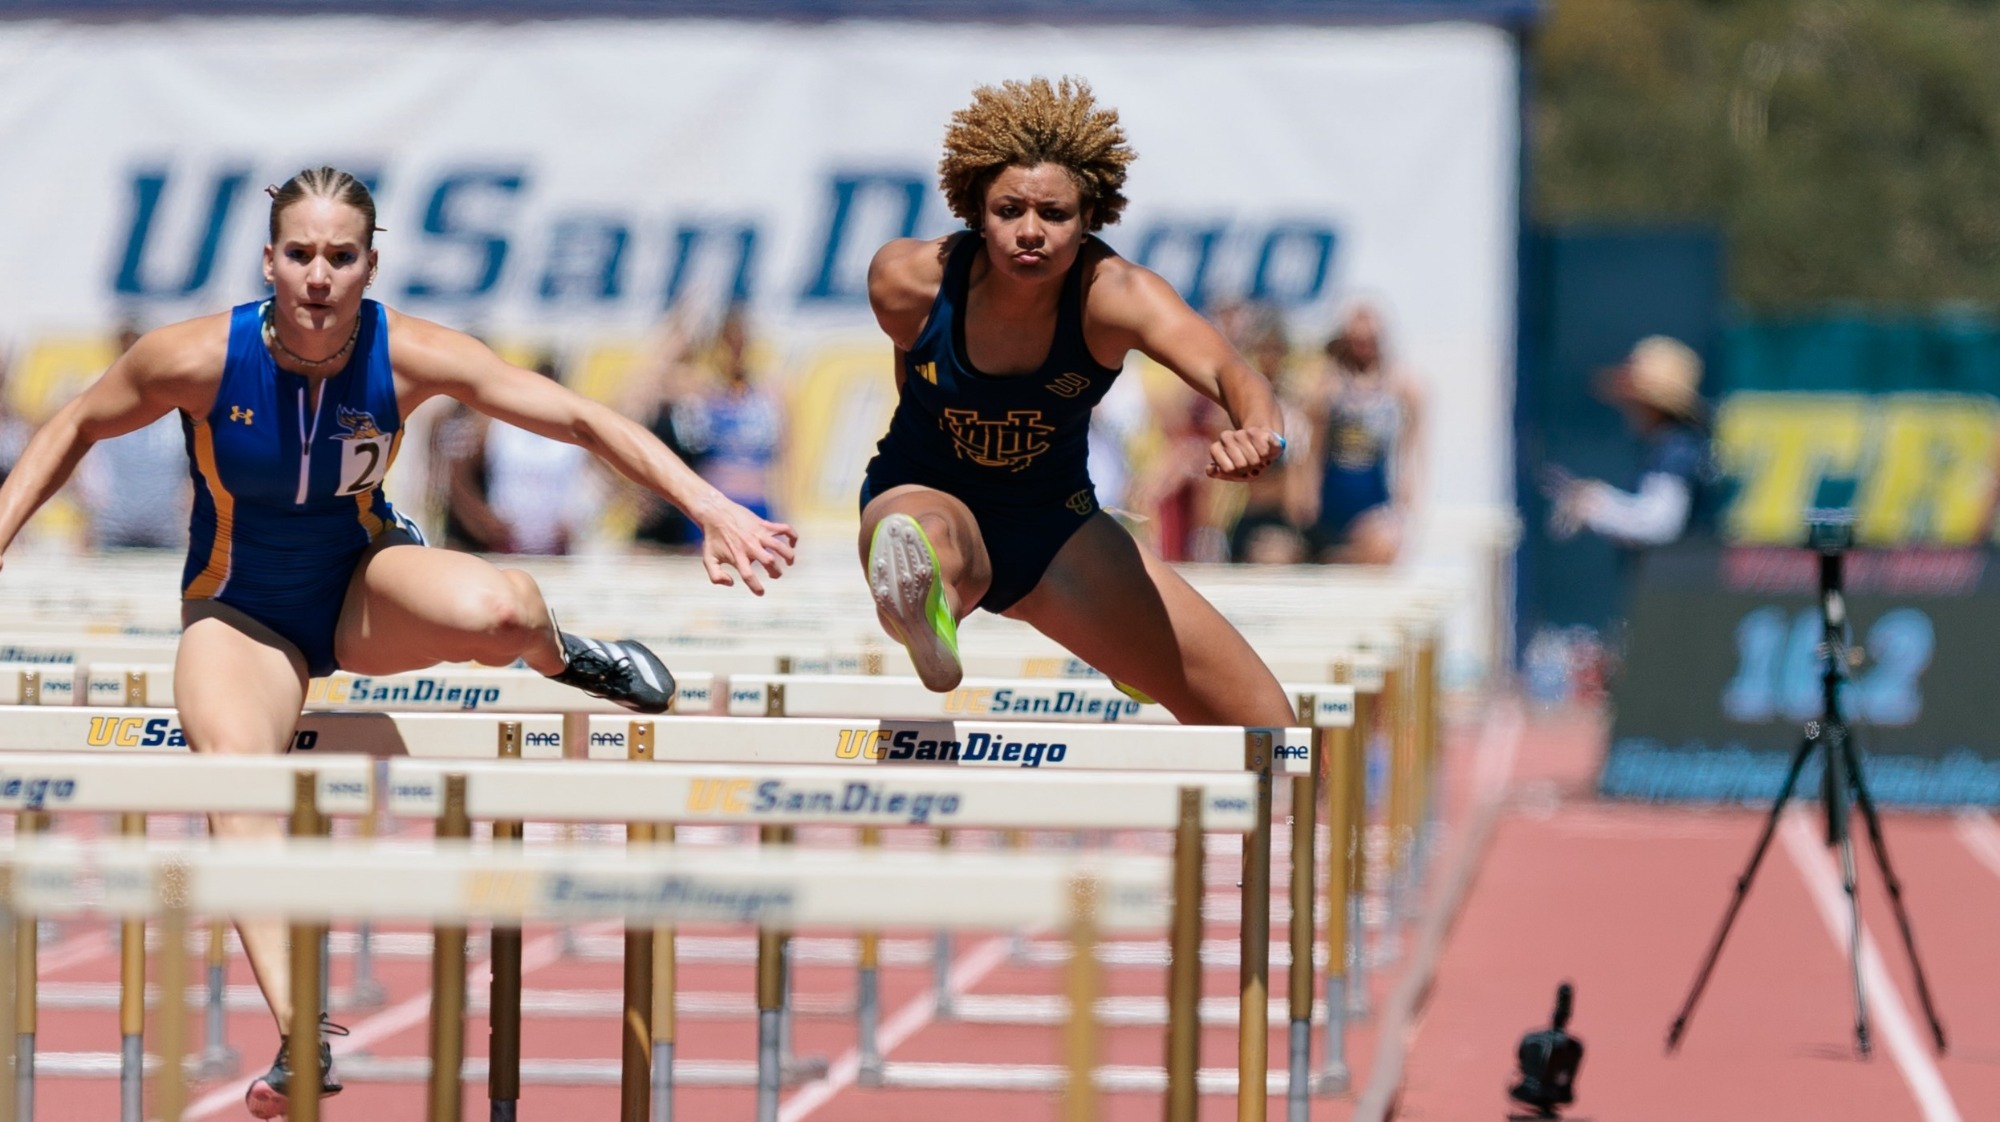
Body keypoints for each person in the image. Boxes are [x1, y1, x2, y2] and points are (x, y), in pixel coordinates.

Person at [0, 167, 795, 1118]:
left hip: (366, 584)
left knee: (502, 607)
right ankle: (304, 1038)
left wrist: (710, 507)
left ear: (370, 266)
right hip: (240, 611)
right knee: (229, 778)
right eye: (301, 255)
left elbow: (579, 416)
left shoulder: (409, 354)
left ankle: (563, 654)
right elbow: (77, 424)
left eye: (341, 257)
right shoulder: (197, 358)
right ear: (269, 263)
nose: (320, 277)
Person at [856, 77, 1292, 727]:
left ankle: (1119, 641)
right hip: (924, 487)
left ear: (1090, 216)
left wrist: (1259, 431)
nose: (1030, 233)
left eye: (1054, 215)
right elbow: (910, 380)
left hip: (1055, 524)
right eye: (1009, 212)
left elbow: (1231, 370)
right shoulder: (905, 280)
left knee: (1267, 728)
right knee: (924, 539)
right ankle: (933, 608)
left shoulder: (1116, 295)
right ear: (976, 209)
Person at [1544, 335, 1711, 549]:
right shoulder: (1667, 445)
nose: (1627, 407)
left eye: (1634, 400)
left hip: (1680, 579)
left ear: (1650, 405)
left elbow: (1661, 525)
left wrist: (1596, 504)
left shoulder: (1676, 449)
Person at [1299, 301, 1424, 564]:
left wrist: (1408, 492)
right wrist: (1306, 491)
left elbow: (1412, 447)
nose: (1364, 347)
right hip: (1333, 492)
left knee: (1381, 549)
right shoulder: (1328, 386)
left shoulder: (1400, 387)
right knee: (1325, 563)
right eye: (1357, 340)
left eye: (1370, 340)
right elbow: (1313, 447)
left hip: (1373, 494)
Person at [75, 320, 191, 550]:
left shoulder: (173, 397)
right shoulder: (99, 393)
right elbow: (83, 454)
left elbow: (188, 460)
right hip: (114, 519)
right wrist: (88, 510)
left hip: (163, 519)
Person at [676, 303, 783, 521]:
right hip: (714, 503)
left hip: (758, 502)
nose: (735, 352)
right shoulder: (700, 390)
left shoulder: (767, 395)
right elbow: (644, 386)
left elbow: (785, 459)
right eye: (728, 344)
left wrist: (786, 512)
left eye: (741, 343)